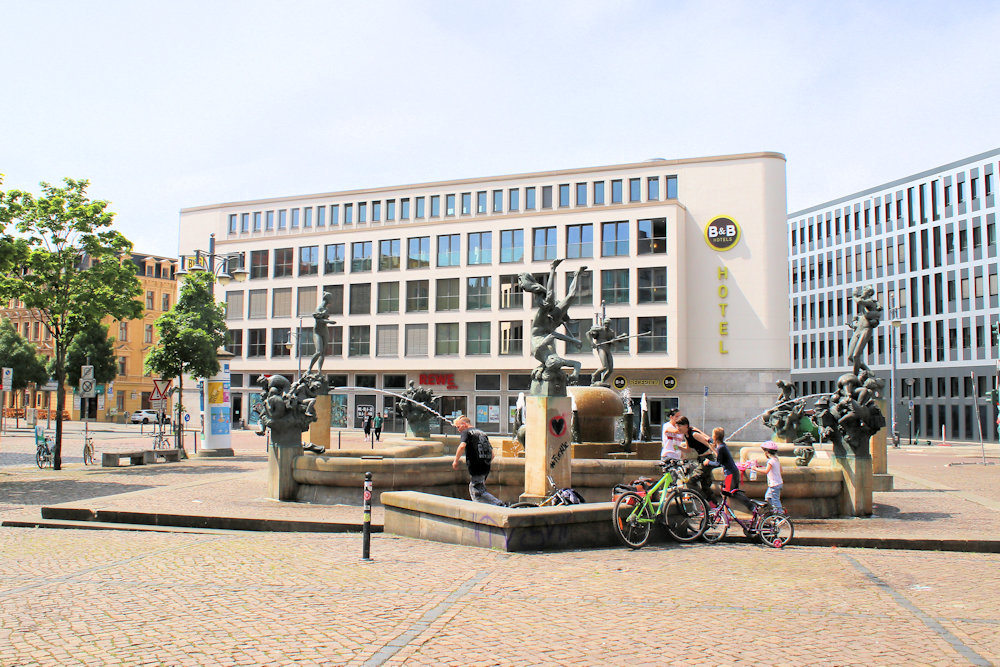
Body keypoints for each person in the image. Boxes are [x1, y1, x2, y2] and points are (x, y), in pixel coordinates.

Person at [451, 415, 505, 506]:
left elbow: (462, 446)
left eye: (458, 427)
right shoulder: (482, 433)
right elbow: (492, 454)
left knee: (476, 492)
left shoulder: (466, 432)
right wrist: (484, 462)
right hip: (485, 466)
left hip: (476, 466)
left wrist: (455, 460)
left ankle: (499, 505)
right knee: (479, 489)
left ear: (464, 424)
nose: (458, 430)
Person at [675, 415, 717, 500]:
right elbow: (688, 450)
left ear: (686, 425)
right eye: (677, 426)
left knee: (691, 481)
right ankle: (714, 507)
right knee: (705, 486)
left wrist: (717, 454)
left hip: (707, 459)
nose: (678, 428)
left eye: (679, 426)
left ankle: (703, 501)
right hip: (701, 460)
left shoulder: (694, 434)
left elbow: (708, 444)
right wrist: (678, 448)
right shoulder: (686, 436)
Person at [712, 427, 754, 512]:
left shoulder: (720, 448)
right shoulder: (722, 445)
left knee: (731, 492)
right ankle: (726, 512)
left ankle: (751, 506)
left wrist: (708, 462)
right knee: (727, 493)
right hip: (733, 472)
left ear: (715, 436)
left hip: (729, 474)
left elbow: (718, 463)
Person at [752, 441, 784, 514]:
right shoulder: (776, 459)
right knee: (768, 497)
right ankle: (773, 512)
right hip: (778, 483)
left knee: (775, 500)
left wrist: (755, 469)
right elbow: (780, 470)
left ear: (767, 452)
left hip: (774, 484)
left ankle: (780, 515)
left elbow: (766, 471)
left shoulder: (770, 461)